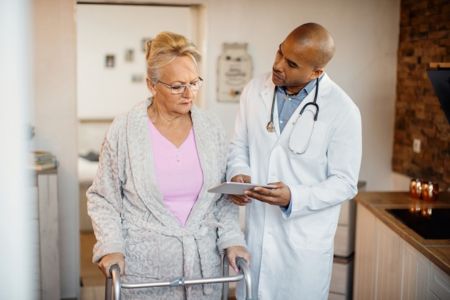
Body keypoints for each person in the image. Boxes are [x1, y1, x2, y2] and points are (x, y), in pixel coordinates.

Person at [87, 31, 249, 300]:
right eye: (177, 86)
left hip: (204, 270)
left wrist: (232, 240)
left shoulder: (210, 128)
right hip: (144, 271)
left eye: (194, 83)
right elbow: (103, 197)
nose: (189, 94)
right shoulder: (124, 130)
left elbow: (222, 200)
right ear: (151, 84)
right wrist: (111, 246)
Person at [227, 23, 362, 300]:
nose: (278, 65)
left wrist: (294, 197)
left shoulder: (342, 109)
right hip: (257, 237)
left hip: (303, 248)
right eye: (279, 53)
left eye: (291, 63)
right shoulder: (255, 90)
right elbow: (239, 145)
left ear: (316, 72)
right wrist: (239, 174)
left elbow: (345, 183)